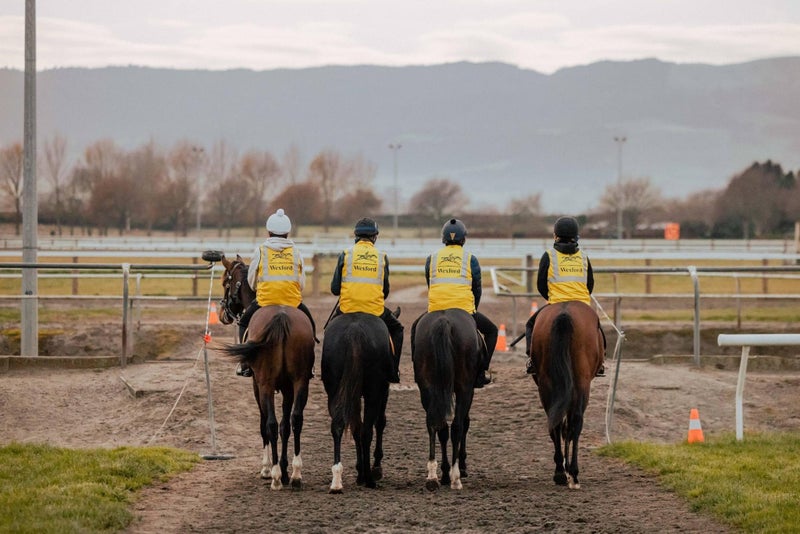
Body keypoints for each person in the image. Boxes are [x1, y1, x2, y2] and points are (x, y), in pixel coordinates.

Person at [412, 218, 498, 389]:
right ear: (463, 239)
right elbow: (477, 289)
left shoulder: (432, 258)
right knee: (492, 331)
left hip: (435, 309)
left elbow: (431, 285)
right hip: (464, 309)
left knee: (415, 328)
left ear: (443, 239)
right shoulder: (471, 259)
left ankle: (418, 370)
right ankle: (481, 372)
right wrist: (472, 311)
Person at [236, 208, 318, 377]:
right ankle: (309, 365)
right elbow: (301, 282)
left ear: (269, 231)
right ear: (288, 232)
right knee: (310, 325)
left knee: (243, 323)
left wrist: (260, 288)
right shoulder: (296, 252)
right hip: (292, 301)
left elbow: (252, 280)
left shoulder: (260, 251)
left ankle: (244, 363)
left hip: (265, 301)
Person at [524, 216, 605, 378]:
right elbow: (590, 284)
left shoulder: (549, 255)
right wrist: (580, 298)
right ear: (576, 236)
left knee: (530, 325)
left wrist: (552, 297)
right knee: (598, 329)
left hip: (555, 303)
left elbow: (541, 284)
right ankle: (601, 362)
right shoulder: (583, 256)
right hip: (581, 303)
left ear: (556, 235)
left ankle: (532, 361)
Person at [329, 217, 404, 383]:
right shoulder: (382, 257)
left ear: (356, 236)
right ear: (375, 236)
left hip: (347, 309)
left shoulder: (346, 254)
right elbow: (385, 291)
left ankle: (326, 371)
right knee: (398, 330)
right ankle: (393, 370)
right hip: (374, 310)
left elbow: (335, 289)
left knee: (330, 332)